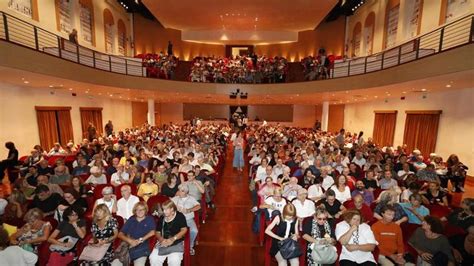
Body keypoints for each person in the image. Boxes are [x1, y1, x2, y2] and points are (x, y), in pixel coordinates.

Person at [112, 202, 156, 266]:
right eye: (137, 209)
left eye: (142, 209)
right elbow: (120, 234)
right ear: (135, 211)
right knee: (115, 264)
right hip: (127, 246)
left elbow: (153, 232)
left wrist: (140, 240)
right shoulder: (131, 219)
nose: (139, 211)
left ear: (145, 210)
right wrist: (130, 241)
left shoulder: (149, 219)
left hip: (142, 246)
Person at [149, 200, 188, 266]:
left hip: (176, 241)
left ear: (172, 209)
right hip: (163, 241)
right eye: (163, 209)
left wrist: (172, 239)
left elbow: (184, 230)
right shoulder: (162, 217)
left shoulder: (180, 216)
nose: (164, 212)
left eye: (166, 209)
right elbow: (157, 232)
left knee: (174, 260)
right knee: (153, 258)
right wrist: (161, 240)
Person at [171, 184, 200, 255]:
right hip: (176, 220)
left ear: (186, 192)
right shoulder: (175, 198)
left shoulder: (191, 198)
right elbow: (167, 205)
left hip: (188, 219)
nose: (179, 192)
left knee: (194, 231)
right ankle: (177, 246)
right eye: (179, 190)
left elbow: (198, 206)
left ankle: (190, 246)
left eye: (182, 191)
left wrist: (189, 210)